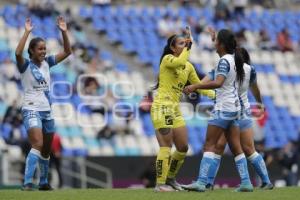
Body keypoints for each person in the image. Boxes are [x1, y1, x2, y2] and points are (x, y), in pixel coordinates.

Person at [182, 29, 253, 192]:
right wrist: (217, 37)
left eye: (216, 42)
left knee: (209, 145)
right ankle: (246, 182)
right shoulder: (235, 59)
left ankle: (201, 182)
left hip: (223, 108)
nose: (214, 44)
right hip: (235, 108)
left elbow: (218, 82)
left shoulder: (224, 61)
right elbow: (224, 64)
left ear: (221, 44)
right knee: (236, 147)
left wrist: (196, 85)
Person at [151, 27, 215, 192]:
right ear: (173, 48)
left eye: (185, 43)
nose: (184, 45)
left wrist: (215, 95)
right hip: (161, 106)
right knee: (166, 146)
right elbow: (179, 61)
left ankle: (171, 179)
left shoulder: (188, 67)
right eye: (181, 43)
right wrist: (190, 46)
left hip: (175, 109)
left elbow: (198, 86)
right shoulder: (168, 59)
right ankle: (160, 184)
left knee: (183, 147)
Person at [203, 47, 273, 190]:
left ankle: (208, 182)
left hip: (229, 111)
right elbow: (255, 89)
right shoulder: (250, 69)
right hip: (245, 112)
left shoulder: (227, 67)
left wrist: (196, 85)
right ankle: (266, 181)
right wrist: (260, 103)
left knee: (219, 147)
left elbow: (212, 81)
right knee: (249, 149)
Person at [15, 17, 71, 191]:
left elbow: (68, 51)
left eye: (45, 49)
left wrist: (63, 31)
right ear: (31, 51)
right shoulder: (25, 65)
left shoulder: (48, 63)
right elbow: (17, 53)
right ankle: (27, 182)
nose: (43, 51)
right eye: (40, 49)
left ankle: (44, 182)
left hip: (47, 111)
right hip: (31, 109)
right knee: (37, 144)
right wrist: (26, 32)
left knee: (46, 151)